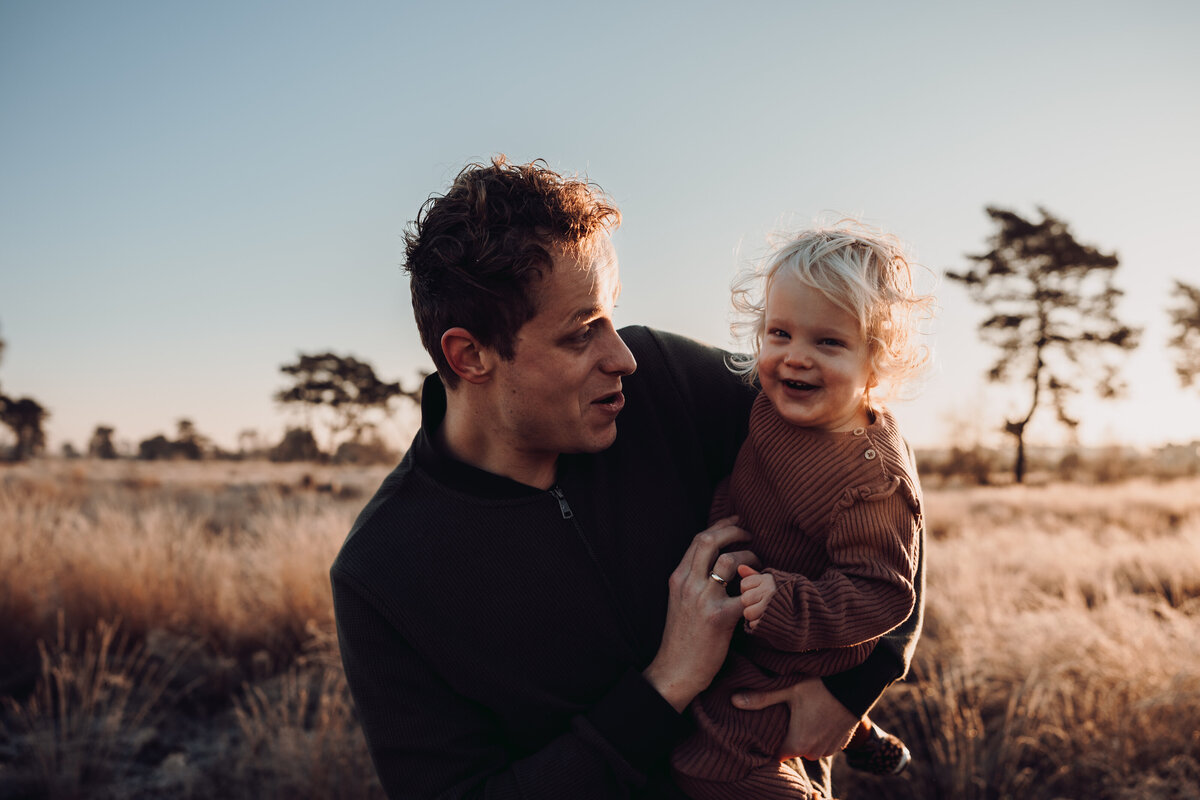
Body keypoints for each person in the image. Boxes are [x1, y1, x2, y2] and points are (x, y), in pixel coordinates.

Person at [330, 157, 926, 799]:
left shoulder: (667, 383)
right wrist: (666, 684)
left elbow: (867, 460)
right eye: (582, 333)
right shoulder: (383, 573)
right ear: (469, 355)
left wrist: (851, 689)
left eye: (612, 316)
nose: (623, 355)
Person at [670, 224, 933, 798]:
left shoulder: (872, 479)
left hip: (793, 642)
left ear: (877, 361)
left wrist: (787, 600)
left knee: (711, 764)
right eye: (780, 333)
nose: (796, 358)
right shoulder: (772, 409)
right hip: (759, 616)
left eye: (828, 343)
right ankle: (861, 734)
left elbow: (884, 591)